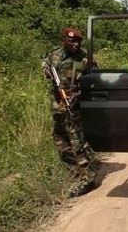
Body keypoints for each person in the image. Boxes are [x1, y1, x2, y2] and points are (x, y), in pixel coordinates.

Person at [42, 27, 98, 197]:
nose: (76, 44)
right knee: (60, 140)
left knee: (77, 142)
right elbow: (46, 69)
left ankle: (88, 179)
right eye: (72, 41)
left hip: (74, 107)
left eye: (78, 41)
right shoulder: (54, 55)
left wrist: (79, 94)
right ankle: (74, 171)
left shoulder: (85, 59)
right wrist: (46, 70)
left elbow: (95, 81)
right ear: (63, 41)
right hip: (58, 106)